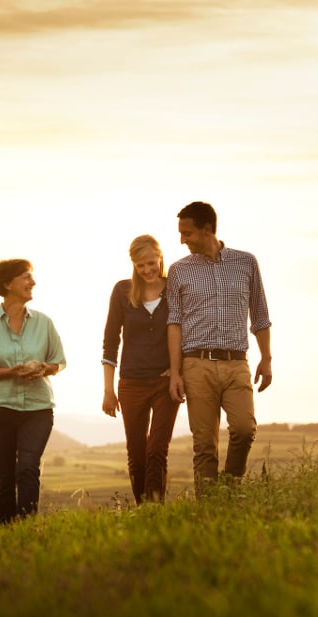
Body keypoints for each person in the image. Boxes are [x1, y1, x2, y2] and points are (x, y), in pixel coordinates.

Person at [166, 201, 272, 493]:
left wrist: (267, 358)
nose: (182, 240)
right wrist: (176, 373)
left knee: (244, 429)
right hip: (196, 364)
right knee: (204, 446)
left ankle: (229, 489)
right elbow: (174, 323)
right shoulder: (179, 271)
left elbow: (260, 314)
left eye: (187, 233)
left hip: (237, 363)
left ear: (208, 229)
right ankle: (210, 511)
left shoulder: (246, 263)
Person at [0, 258, 66, 524]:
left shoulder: (44, 323)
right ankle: (8, 533)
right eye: (26, 277)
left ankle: (28, 530)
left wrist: (44, 367)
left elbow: (58, 362)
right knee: (4, 476)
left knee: (28, 469)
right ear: (7, 283)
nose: (32, 282)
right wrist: (11, 372)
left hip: (37, 408)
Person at [102, 235, 181, 504]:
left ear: (160, 257)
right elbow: (111, 341)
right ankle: (142, 509)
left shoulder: (175, 288)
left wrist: (176, 370)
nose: (147, 270)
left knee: (157, 450)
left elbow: (186, 331)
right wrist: (108, 390)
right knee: (136, 453)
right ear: (133, 265)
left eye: (151, 263)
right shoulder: (122, 291)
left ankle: (154, 511)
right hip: (131, 384)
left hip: (165, 383)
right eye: (140, 266)